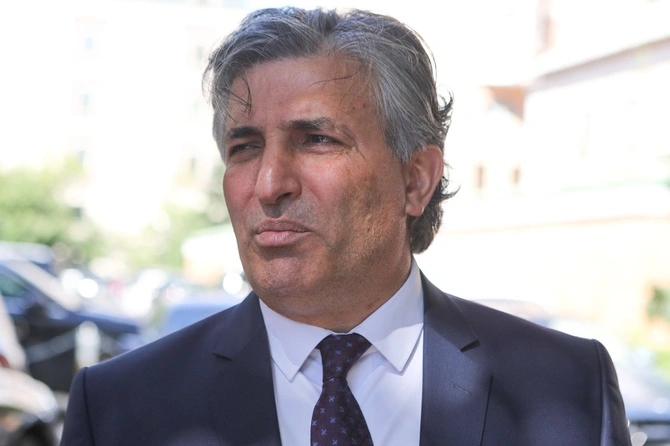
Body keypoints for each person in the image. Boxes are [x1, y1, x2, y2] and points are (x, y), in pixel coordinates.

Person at [60, 7, 631, 446]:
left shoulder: (564, 388)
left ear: (416, 179)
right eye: (245, 147)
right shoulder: (120, 408)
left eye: (316, 140)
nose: (269, 184)